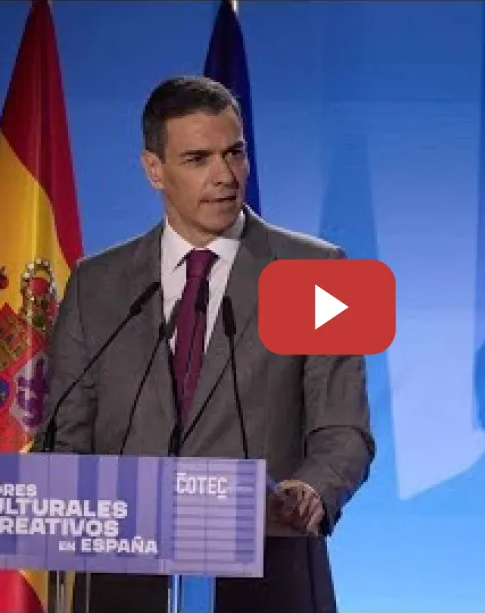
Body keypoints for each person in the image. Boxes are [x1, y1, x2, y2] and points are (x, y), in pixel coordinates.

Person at [43, 75, 375, 613]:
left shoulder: (319, 272)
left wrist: (313, 490)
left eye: (234, 153)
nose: (225, 175)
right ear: (154, 169)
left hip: (267, 575)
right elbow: (65, 437)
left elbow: (344, 430)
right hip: (122, 583)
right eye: (198, 159)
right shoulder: (97, 284)